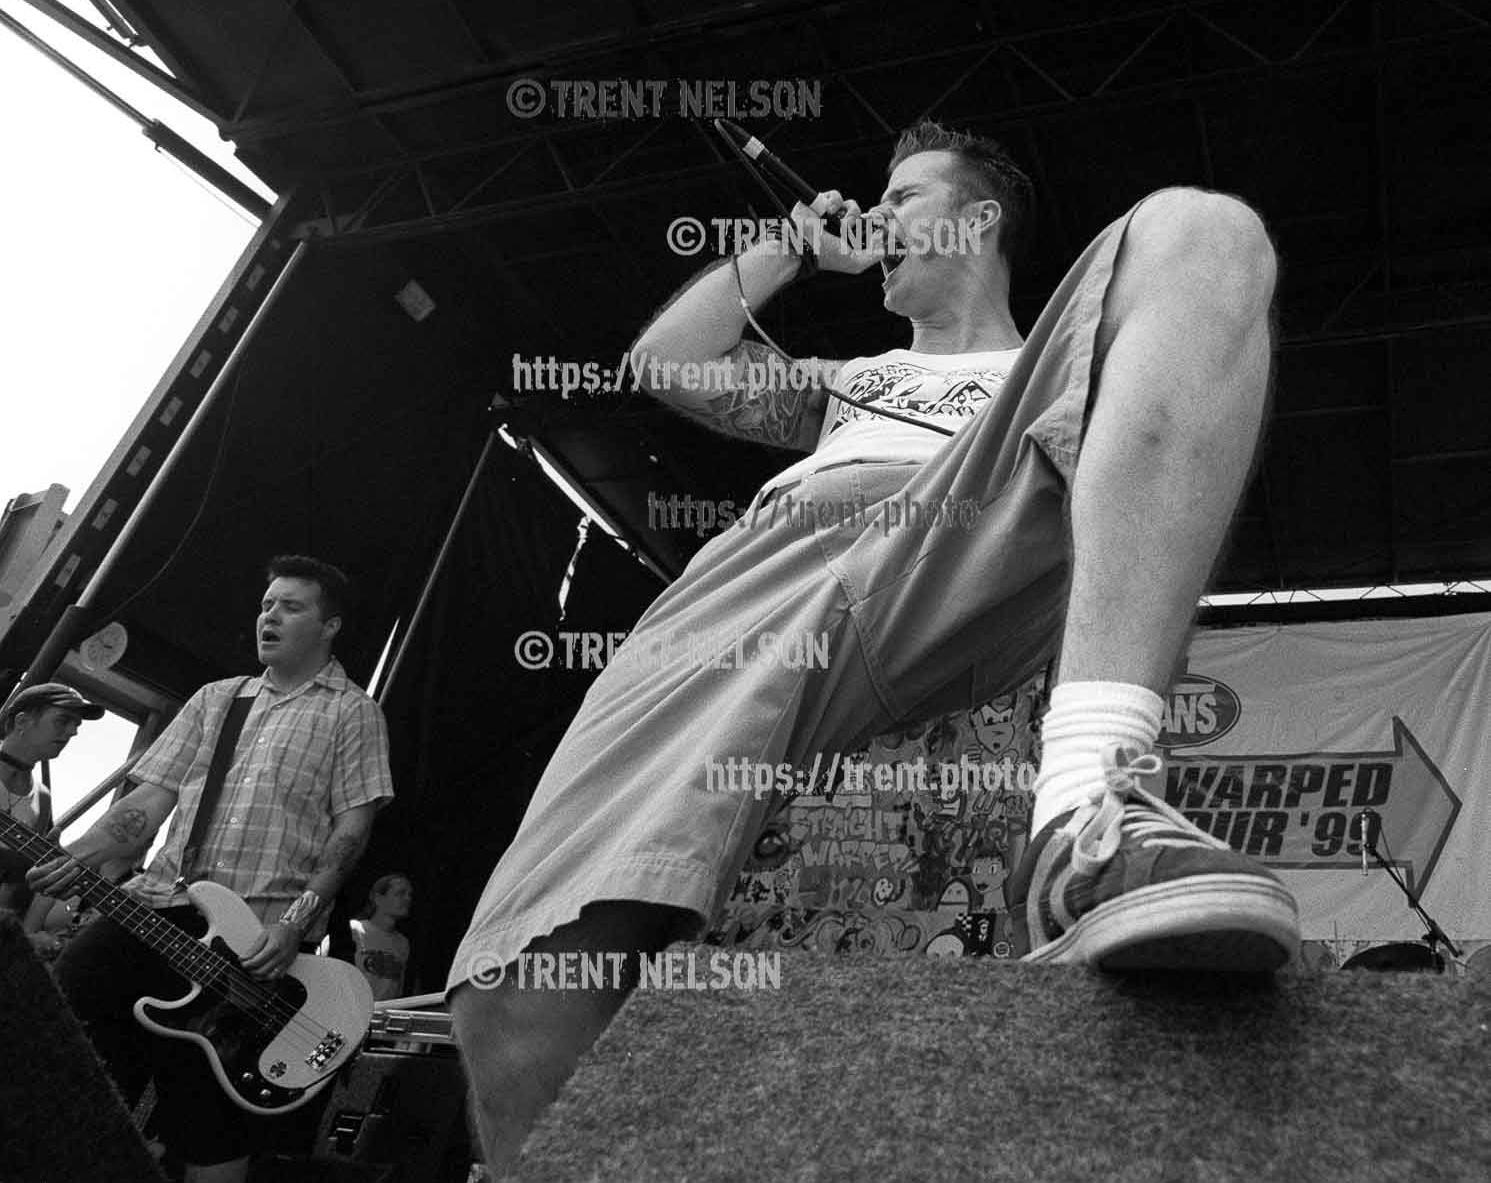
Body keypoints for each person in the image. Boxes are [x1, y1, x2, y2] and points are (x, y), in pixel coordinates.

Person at [447, 118, 1299, 1170]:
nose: (877, 216)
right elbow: (666, 362)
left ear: (980, 220)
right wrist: (793, 247)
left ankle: (1091, 810)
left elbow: (1177, 414)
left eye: (904, 197)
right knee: (519, 992)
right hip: (746, 595)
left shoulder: (1058, 368)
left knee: (1203, 232)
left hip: (962, 537)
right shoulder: (843, 383)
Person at [28, 555, 394, 1183]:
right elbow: (148, 803)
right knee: (60, 1048)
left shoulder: (352, 713)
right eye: (266, 603)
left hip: (252, 947)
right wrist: (77, 857)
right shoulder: (217, 700)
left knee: (211, 1140)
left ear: (330, 626)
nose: (269, 615)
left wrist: (296, 923)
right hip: (156, 907)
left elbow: (351, 832)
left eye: (290, 606)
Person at [0, 682, 104, 955]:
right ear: (22, 721)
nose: (73, 731)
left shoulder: (42, 798)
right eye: (63, 721)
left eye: (76, 724)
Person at [350, 872, 414, 1001]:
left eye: (410, 895)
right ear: (378, 898)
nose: (407, 899)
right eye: (400, 893)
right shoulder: (354, 929)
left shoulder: (403, 943)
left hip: (384, 1015)